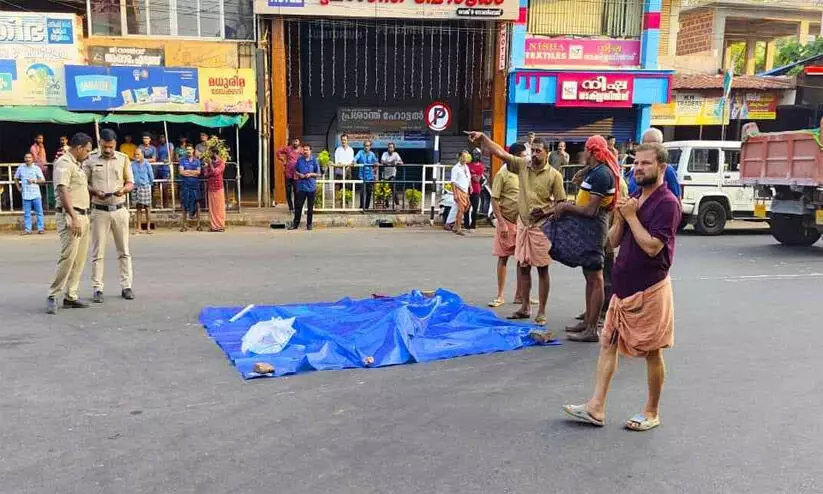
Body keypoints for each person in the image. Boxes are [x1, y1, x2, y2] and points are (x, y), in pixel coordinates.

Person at [562, 142, 681, 432]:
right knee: (608, 345)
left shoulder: (667, 203)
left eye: (646, 163)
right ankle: (596, 406)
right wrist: (621, 216)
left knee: (652, 351)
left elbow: (653, 247)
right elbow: (613, 242)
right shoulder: (636, 197)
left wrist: (630, 217)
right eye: (636, 163)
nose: (639, 168)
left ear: (661, 168)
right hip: (623, 288)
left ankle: (652, 411)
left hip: (650, 289)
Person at [467, 131, 566, 327]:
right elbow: (500, 154)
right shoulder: (522, 166)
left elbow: (561, 203)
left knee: (543, 270)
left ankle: (542, 311)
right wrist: (483, 138)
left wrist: (545, 210)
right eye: (533, 151)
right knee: (523, 266)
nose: (535, 154)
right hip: (523, 225)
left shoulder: (554, 176)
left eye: (539, 151)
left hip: (541, 227)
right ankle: (525, 307)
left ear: (547, 153)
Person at [555, 135, 622, 342]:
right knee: (589, 276)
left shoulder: (602, 174)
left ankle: (592, 328)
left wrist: (566, 206)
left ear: (592, 152)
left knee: (595, 277)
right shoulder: (596, 171)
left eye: (586, 150)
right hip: (589, 228)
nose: (583, 153)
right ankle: (588, 321)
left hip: (594, 227)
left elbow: (591, 210)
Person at [46, 133, 94, 315]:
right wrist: (73, 216)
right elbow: (63, 189)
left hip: (83, 215)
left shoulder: (76, 165)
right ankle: (53, 294)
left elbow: (77, 186)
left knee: (79, 258)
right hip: (71, 215)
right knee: (68, 257)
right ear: (79, 147)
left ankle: (71, 295)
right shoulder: (64, 163)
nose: (88, 154)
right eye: (87, 150)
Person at [86, 129, 136, 304]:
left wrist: (123, 189)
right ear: (100, 144)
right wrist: (95, 191)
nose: (108, 150)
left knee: (124, 251)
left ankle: (126, 286)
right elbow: (84, 183)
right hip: (99, 210)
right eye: (105, 147)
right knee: (97, 252)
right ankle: (97, 288)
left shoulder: (123, 159)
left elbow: (130, 182)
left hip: (119, 209)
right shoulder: (90, 159)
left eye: (111, 147)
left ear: (115, 144)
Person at [488, 143, 525, 308]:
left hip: (522, 221)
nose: (526, 158)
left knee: (523, 260)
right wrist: (502, 222)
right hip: (507, 221)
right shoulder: (502, 174)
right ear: (516, 156)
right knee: (503, 258)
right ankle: (500, 294)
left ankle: (520, 294)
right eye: (524, 155)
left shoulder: (524, 171)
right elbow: (494, 199)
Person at [626, 128, 681, 199]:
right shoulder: (636, 168)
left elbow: (677, 197)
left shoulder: (666, 169)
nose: (650, 147)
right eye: (646, 144)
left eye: (654, 144)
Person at [288, 143, 321, 231]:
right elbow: (295, 170)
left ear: (310, 151)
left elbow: (318, 173)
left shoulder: (314, 160)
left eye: (307, 150)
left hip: (311, 187)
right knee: (298, 206)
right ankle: (295, 224)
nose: (305, 151)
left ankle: (309, 224)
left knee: (310, 208)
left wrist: (310, 174)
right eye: (304, 150)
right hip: (301, 187)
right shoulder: (300, 160)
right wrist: (300, 174)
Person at [15, 152, 46, 235]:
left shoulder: (36, 168)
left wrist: (34, 181)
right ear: (24, 159)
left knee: (39, 212)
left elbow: (43, 180)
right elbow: (16, 178)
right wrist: (18, 188)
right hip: (25, 194)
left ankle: (41, 228)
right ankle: (28, 230)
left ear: (32, 159)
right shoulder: (21, 168)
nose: (27, 159)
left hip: (36, 194)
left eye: (29, 157)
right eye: (26, 157)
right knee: (27, 213)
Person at [131, 148, 155, 234]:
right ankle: (139, 227)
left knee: (147, 208)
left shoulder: (147, 164)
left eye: (138, 154)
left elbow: (151, 176)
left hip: (145, 186)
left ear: (142, 155)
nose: (136, 156)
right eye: (135, 154)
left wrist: (148, 185)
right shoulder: (132, 164)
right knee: (138, 208)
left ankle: (148, 227)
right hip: (135, 187)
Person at [178, 144, 202, 231]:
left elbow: (198, 172)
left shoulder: (197, 161)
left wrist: (187, 171)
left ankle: (198, 224)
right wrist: (193, 172)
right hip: (185, 185)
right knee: (184, 205)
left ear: (193, 150)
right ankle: (184, 225)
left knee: (197, 204)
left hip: (195, 185)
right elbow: (181, 172)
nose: (188, 151)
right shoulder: (182, 160)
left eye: (190, 149)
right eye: (187, 149)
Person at [203, 152, 227, 232]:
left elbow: (215, 172)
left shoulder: (221, 163)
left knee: (219, 208)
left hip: (218, 188)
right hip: (211, 187)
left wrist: (210, 164)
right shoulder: (210, 163)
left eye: (212, 154)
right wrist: (206, 167)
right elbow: (206, 174)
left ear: (216, 154)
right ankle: (214, 226)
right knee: (212, 208)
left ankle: (221, 226)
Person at [450, 151, 472, 236]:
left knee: (466, 207)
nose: (464, 159)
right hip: (459, 190)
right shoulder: (456, 168)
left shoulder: (466, 167)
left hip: (465, 190)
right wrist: (455, 194)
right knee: (461, 209)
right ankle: (458, 228)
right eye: (463, 157)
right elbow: (453, 182)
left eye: (465, 157)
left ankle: (455, 226)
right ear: (459, 157)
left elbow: (468, 178)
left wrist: (470, 187)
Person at [277, 137, 302, 212]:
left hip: (296, 174)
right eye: (294, 141)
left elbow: (306, 156)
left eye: (296, 141)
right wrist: (283, 160)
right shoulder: (288, 149)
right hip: (288, 173)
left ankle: (296, 207)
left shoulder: (301, 150)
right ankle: (291, 208)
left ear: (299, 142)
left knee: (296, 191)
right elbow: (278, 152)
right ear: (292, 142)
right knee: (288, 191)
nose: (295, 143)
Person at [354, 139, 378, 210]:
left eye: (368, 146)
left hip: (370, 176)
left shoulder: (372, 154)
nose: (366, 147)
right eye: (365, 146)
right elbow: (356, 158)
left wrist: (375, 167)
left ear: (370, 147)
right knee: (362, 192)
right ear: (363, 146)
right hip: (362, 176)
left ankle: (367, 207)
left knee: (369, 192)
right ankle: (362, 207)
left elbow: (375, 161)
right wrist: (353, 161)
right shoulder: (360, 152)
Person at [466, 148, 485, 230]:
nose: (475, 155)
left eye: (477, 154)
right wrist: (473, 175)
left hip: (476, 190)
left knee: (475, 208)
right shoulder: (468, 165)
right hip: (467, 189)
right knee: (466, 208)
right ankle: (466, 225)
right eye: (474, 154)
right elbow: (466, 176)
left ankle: (473, 225)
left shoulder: (481, 166)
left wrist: (472, 175)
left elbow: (477, 179)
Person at [381, 142, 403, 208]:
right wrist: (391, 163)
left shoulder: (396, 154)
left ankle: (397, 204)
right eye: (389, 147)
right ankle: (386, 204)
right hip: (385, 175)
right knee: (385, 190)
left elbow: (401, 162)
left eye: (391, 147)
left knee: (393, 189)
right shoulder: (385, 153)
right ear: (387, 148)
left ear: (394, 148)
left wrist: (396, 162)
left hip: (392, 174)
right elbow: (382, 161)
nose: (390, 149)